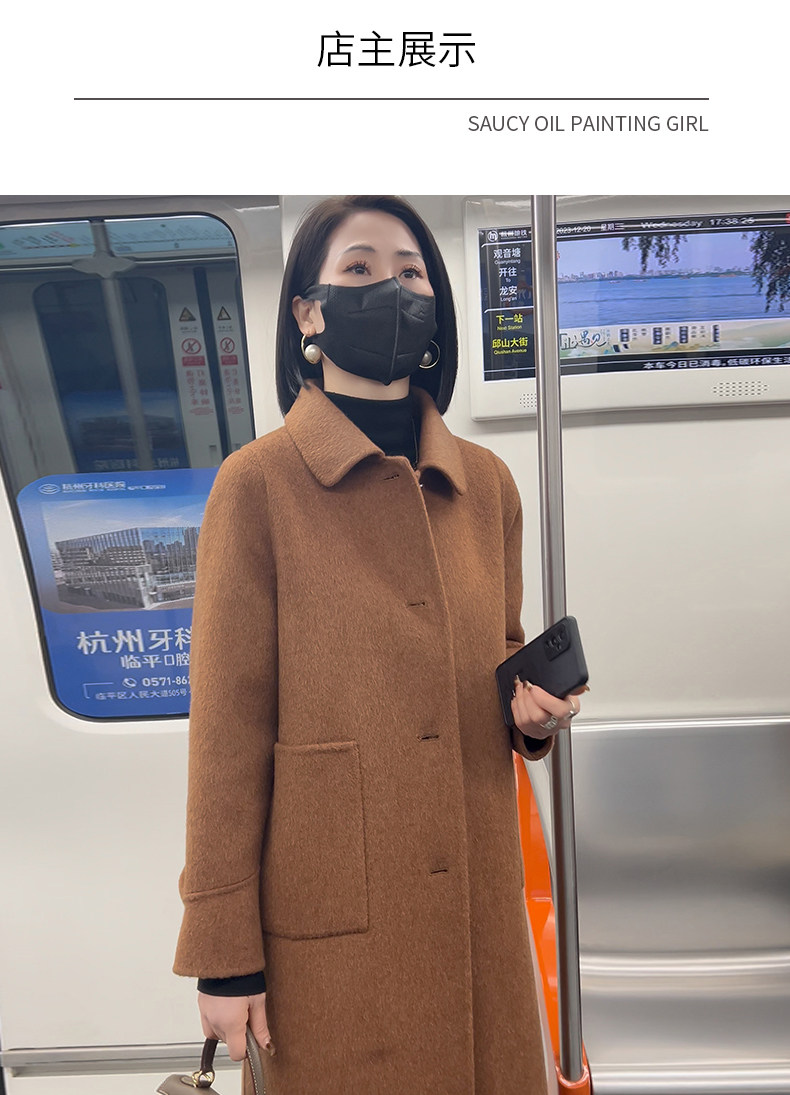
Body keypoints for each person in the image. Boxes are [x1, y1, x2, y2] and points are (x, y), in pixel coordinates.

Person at [173, 195, 584, 1095]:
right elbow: (226, 736)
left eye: (410, 272)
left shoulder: (487, 485)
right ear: (308, 313)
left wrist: (532, 719)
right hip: (331, 935)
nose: (390, 288)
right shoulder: (257, 486)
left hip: (476, 912)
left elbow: (497, 658)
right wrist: (222, 954)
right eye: (358, 268)